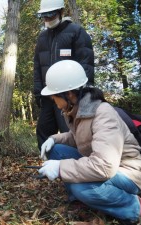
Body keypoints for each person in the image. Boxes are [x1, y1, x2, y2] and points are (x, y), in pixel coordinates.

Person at [38, 60, 141, 224]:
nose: (54, 101)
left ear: (69, 93)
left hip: (128, 171)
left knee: (81, 187)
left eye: (54, 97)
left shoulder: (103, 113)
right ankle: (80, 198)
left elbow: (105, 166)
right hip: (103, 164)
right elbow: (76, 138)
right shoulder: (75, 110)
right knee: (57, 150)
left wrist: (61, 167)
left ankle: (134, 207)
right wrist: (53, 139)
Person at [34, 0, 94, 150]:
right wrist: (37, 92)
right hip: (49, 95)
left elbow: (86, 63)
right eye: (44, 16)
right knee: (43, 131)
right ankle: (48, 165)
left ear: (60, 11)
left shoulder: (76, 32)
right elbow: (37, 67)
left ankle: (74, 167)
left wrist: (81, 94)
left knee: (71, 132)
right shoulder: (42, 38)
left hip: (69, 96)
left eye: (50, 15)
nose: (47, 19)